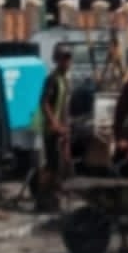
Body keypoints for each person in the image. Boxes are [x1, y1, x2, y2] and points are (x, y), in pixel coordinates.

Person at [36, 43, 75, 199]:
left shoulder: (65, 80)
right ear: (57, 60)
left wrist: (66, 126)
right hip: (52, 130)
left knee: (64, 162)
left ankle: (56, 192)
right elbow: (44, 102)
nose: (66, 62)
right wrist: (54, 123)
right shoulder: (52, 79)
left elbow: (65, 106)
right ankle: (43, 195)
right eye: (63, 59)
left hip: (63, 128)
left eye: (68, 59)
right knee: (52, 164)